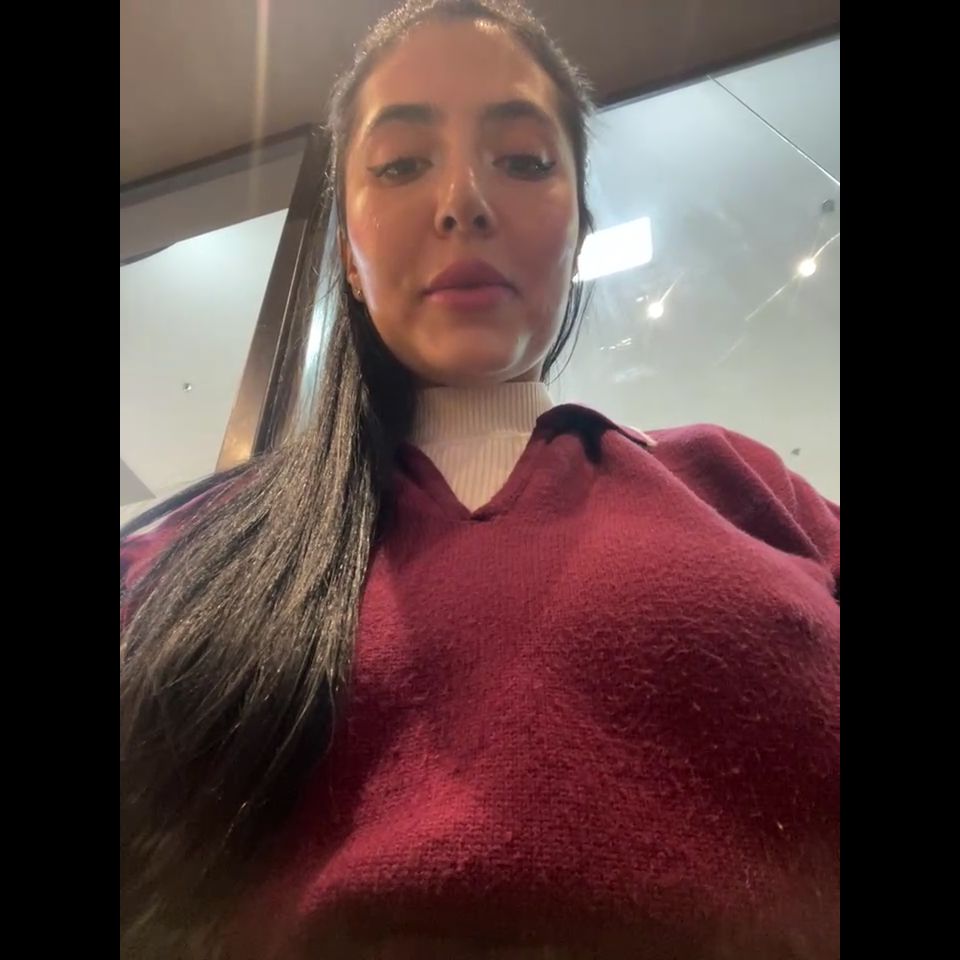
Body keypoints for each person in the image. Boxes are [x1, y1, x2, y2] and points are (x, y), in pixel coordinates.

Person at [120, 2, 840, 957]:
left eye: (525, 160)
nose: (463, 201)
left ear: (579, 230)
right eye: (401, 164)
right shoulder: (177, 563)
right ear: (347, 250)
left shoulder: (747, 487)